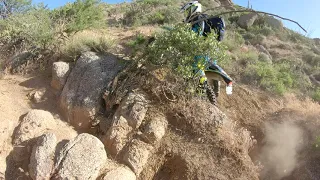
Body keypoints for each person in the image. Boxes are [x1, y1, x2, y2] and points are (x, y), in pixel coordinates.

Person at [180, 1, 232, 99]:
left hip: (202, 48)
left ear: (193, 8)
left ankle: (200, 94)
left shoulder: (197, 18)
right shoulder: (207, 18)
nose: (187, 13)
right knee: (210, 65)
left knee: (196, 66)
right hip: (213, 48)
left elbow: (196, 33)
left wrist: (187, 34)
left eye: (188, 10)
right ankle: (216, 92)